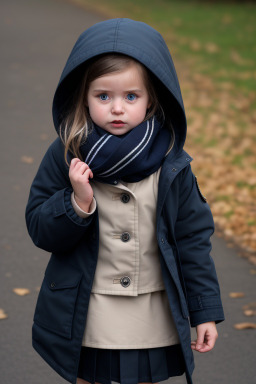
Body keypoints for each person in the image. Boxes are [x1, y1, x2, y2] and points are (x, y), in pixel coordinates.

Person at [25, 18, 224, 384]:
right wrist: (77, 202)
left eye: (130, 96)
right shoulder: (67, 154)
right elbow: (40, 228)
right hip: (89, 308)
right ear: (83, 98)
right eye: (104, 96)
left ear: (151, 100)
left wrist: (203, 312)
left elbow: (193, 240)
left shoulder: (171, 161)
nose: (117, 108)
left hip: (150, 308)